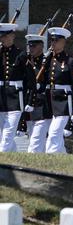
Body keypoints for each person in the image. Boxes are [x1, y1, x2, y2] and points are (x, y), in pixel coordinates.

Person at [0, 22, 33, 152]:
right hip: (1, 98)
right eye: (1, 36)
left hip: (15, 98)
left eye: (5, 36)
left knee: (8, 133)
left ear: (12, 35)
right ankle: (13, 160)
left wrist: (30, 100)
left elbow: (31, 81)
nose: (2, 39)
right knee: (2, 133)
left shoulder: (21, 55)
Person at [24, 33, 49, 153]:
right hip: (29, 107)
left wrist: (41, 86)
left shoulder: (47, 63)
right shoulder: (26, 62)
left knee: (35, 142)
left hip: (42, 107)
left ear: (41, 46)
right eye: (29, 46)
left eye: (33, 46)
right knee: (35, 139)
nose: (31, 49)